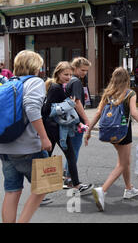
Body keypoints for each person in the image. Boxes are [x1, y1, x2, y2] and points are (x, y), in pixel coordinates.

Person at [86, 67, 138, 212]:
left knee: (124, 161)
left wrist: (88, 131)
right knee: (123, 164)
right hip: (124, 132)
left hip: (110, 132)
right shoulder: (130, 93)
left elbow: (99, 113)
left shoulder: (108, 93)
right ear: (127, 79)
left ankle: (129, 188)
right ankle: (102, 190)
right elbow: (135, 113)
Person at [0, 50, 52, 223]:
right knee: (45, 185)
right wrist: (44, 138)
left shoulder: (9, 83)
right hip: (29, 147)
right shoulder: (35, 82)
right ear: (35, 66)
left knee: (12, 191)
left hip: (5, 147)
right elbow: (31, 108)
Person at [42, 61, 94, 198]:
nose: (68, 77)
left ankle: (41, 192)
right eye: (66, 74)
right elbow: (46, 110)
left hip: (53, 128)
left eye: (70, 74)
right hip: (54, 128)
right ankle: (75, 185)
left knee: (49, 157)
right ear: (58, 73)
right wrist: (67, 104)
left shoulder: (57, 86)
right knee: (66, 155)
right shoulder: (56, 88)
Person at [64, 57, 91, 187]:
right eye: (82, 70)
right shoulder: (76, 82)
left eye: (86, 71)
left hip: (70, 120)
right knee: (74, 149)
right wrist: (86, 119)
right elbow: (76, 101)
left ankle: (66, 175)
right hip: (76, 121)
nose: (84, 73)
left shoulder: (70, 80)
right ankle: (69, 178)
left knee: (71, 149)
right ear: (74, 68)